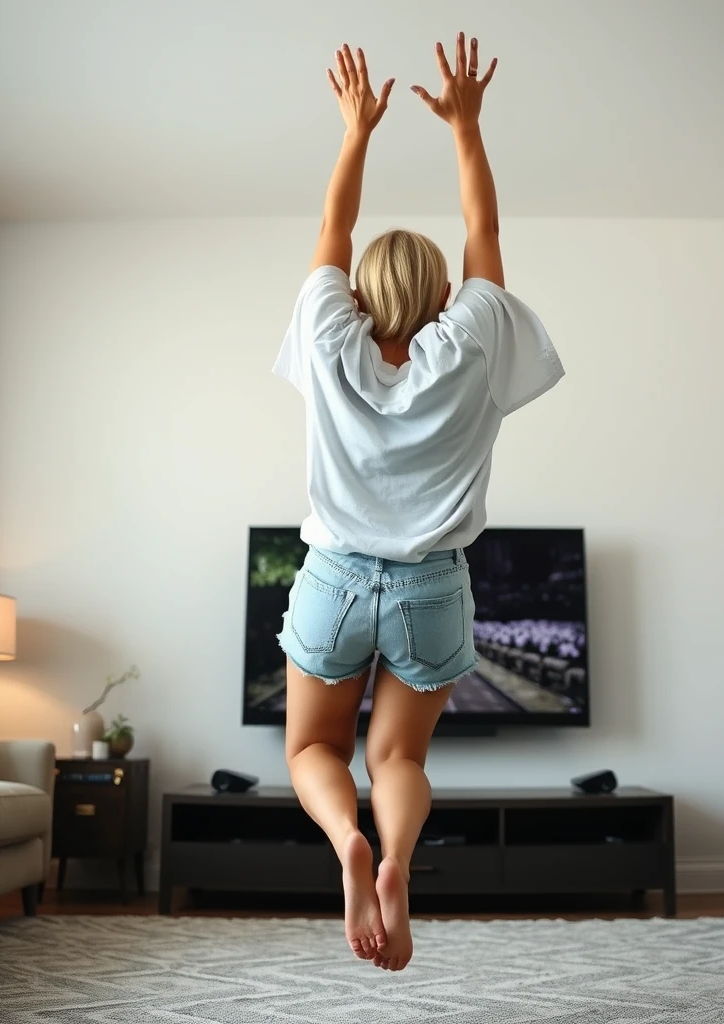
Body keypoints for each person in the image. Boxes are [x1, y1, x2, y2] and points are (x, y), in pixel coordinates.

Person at [272, 32, 564, 972]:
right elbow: (486, 234)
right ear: (444, 293)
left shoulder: (328, 337)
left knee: (312, 750)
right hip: (433, 587)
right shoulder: (470, 344)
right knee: (398, 761)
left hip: (333, 580)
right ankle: (395, 856)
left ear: (357, 292)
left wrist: (356, 130)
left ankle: (346, 845)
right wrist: (466, 128)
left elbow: (332, 228)